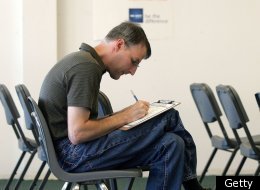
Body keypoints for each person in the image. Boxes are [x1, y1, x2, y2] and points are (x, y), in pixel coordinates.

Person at [38, 21, 210, 190]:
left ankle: (191, 184)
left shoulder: (83, 61)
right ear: (119, 44)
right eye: (134, 61)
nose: (133, 71)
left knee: (172, 144)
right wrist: (125, 117)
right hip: (71, 155)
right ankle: (192, 185)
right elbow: (77, 133)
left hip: (68, 151)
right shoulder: (85, 67)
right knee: (169, 116)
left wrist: (125, 113)